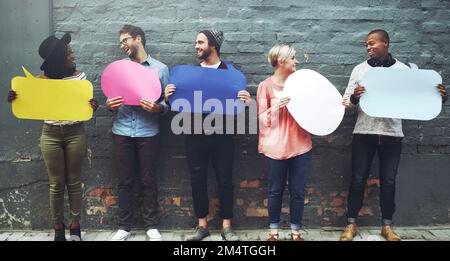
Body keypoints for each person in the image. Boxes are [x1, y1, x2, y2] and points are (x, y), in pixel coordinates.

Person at [340, 29, 447, 241]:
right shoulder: (360, 70)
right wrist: (354, 97)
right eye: (366, 45)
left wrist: (438, 97)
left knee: (389, 181)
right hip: (364, 133)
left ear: (386, 43)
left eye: (372, 43)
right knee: (358, 180)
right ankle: (351, 224)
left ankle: (387, 226)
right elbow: (345, 103)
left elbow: (416, 100)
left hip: (392, 135)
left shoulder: (403, 70)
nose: (368, 47)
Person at [8, 33, 98, 241]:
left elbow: (83, 105)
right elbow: (28, 103)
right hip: (50, 135)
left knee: (74, 182)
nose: (73, 55)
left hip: (75, 133)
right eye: (68, 53)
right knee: (56, 183)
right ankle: (58, 229)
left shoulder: (80, 78)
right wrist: (15, 98)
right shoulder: (40, 82)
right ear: (59, 57)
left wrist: (92, 105)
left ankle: (75, 228)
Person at [164, 30, 252, 241]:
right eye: (196, 42)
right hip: (194, 135)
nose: (196, 46)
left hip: (223, 135)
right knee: (197, 180)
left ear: (213, 45)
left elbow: (238, 107)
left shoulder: (231, 75)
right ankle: (202, 225)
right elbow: (177, 104)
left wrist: (246, 102)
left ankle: (226, 226)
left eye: (200, 42)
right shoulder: (189, 75)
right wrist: (169, 99)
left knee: (225, 179)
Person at [106, 24, 169, 241]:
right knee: (125, 181)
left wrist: (158, 108)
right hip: (122, 130)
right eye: (120, 42)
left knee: (148, 180)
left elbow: (166, 104)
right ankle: (125, 226)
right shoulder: (118, 68)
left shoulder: (160, 69)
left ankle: (151, 225)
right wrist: (110, 105)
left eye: (125, 40)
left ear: (138, 39)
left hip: (148, 131)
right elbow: (110, 97)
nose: (122, 45)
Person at [256, 44, 312, 241]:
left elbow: (313, 111)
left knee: (298, 191)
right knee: (275, 190)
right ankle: (274, 233)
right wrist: (276, 108)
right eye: (293, 58)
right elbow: (262, 121)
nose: (296, 61)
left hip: (301, 145)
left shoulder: (300, 85)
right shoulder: (265, 86)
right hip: (275, 147)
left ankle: (296, 233)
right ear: (281, 61)